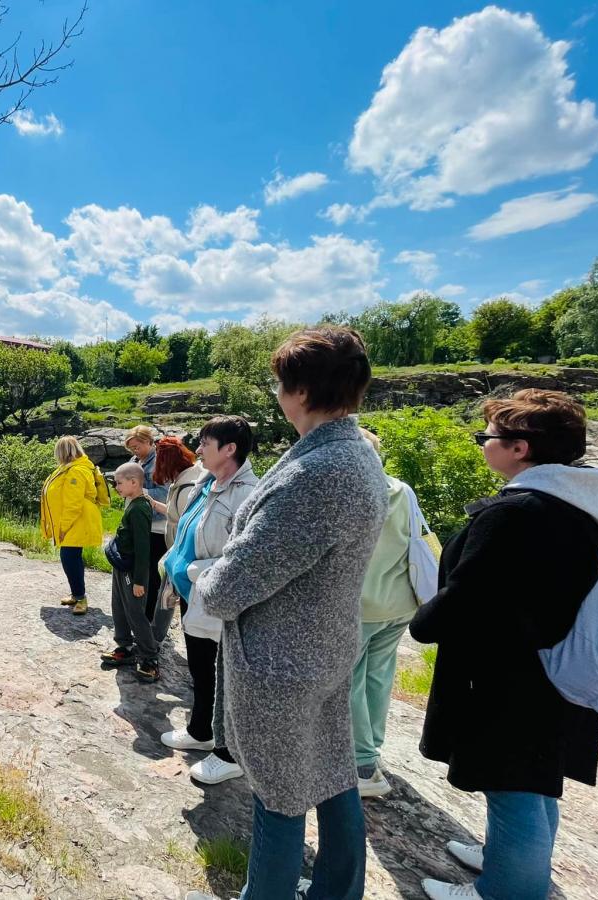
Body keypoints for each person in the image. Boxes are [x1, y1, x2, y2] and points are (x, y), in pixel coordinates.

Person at [196, 327, 387, 900]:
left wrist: (199, 573)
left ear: (301, 391)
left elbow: (229, 589)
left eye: (280, 381)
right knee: (331, 774)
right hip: (323, 643)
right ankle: (336, 890)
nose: (277, 391)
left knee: (278, 796)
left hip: (282, 660)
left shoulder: (316, 475)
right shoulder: (353, 453)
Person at [411, 389, 598, 900]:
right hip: (568, 664)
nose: (483, 444)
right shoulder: (589, 501)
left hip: (513, 677)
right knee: (539, 779)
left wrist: (422, 622)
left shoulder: (520, 511)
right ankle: (510, 858)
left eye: (488, 437)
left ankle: (506, 889)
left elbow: (469, 595)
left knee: (514, 786)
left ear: (520, 448)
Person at [157, 417, 258, 788]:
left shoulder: (248, 494)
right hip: (193, 596)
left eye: (205, 443)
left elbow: (247, 558)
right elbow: (186, 532)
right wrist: (173, 565)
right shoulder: (206, 483)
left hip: (218, 600)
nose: (198, 450)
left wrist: (196, 569)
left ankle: (230, 755)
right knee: (200, 668)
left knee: (226, 678)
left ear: (229, 449)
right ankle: (202, 731)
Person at [350, 428, 425, 799]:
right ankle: (371, 746)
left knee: (347, 681)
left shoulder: (354, 493)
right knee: (378, 676)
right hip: (399, 603)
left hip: (361, 605)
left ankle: (363, 764)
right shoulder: (402, 489)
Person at [100, 462, 160, 682]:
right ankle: (124, 647)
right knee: (119, 606)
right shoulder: (132, 502)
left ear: (134, 482)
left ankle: (149, 657)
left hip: (132, 570)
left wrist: (139, 581)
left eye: (119, 483)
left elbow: (144, 548)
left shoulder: (139, 508)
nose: (116, 487)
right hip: (122, 566)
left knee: (135, 611)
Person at [39, 436, 106, 616]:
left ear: (62, 452)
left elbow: (73, 504)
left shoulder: (76, 471)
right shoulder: (72, 468)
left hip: (76, 522)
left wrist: (63, 527)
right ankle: (77, 595)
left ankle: (80, 597)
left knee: (70, 557)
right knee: (71, 557)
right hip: (76, 522)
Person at [125, 425, 168, 620]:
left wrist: (138, 492)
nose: (135, 451)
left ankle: (151, 613)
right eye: (132, 448)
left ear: (150, 442)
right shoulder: (135, 461)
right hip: (141, 523)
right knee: (141, 566)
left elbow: (165, 495)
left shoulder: (159, 463)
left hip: (157, 526)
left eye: (138, 446)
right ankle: (144, 608)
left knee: (149, 567)